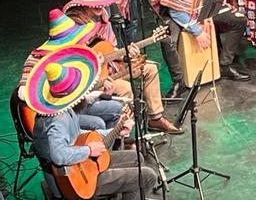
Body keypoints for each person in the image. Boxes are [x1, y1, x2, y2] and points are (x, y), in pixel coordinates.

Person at [24, 45, 159, 200]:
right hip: (74, 179)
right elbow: (58, 155)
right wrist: (88, 150)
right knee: (147, 176)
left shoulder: (65, 109)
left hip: (80, 163)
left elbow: (75, 136)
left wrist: (114, 132)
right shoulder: (58, 120)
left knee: (137, 158)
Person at [63, 0, 181, 134]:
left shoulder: (103, 16)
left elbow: (110, 49)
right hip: (87, 80)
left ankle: (155, 118)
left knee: (150, 68)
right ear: (83, 3)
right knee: (125, 87)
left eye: (101, 1)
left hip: (110, 67)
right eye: (94, 2)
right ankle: (120, 135)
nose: (100, 6)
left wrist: (125, 54)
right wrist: (90, 61)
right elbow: (68, 58)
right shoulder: (72, 24)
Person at [18, 10, 123, 131]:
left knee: (116, 108)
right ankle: (93, 147)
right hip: (54, 113)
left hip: (77, 106)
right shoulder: (36, 58)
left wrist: (100, 91)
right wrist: (47, 98)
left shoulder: (76, 55)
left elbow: (81, 90)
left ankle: (111, 145)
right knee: (97, 123)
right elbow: (22, 92)